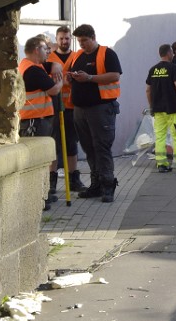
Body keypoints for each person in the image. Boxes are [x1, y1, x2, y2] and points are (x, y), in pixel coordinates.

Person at [69, 24, 123, 203]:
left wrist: (90, 78)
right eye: (79, 41)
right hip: (80, 109)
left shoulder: (107, 53)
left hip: (101, 108)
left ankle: (108, 185)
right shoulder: (77, 55)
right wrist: (72, 77)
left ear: (93, 37)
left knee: (101, 147)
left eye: (84, 40)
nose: (82, 44)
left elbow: (115, 75)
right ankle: (96, 184)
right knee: (88, 147)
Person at [18, 36, 63, 211]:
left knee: (44, 157)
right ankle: (37, 197)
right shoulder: (33, 71)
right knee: (37, 160)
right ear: (37, 49)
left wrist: (56, 66)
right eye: (46, 50)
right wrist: (60, 81)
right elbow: (53, 89)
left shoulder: (30, 65)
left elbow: (49, 65)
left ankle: (44, 192)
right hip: (34, 120)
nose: (49, 53)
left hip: (38, 118)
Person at [47, 25, 86, 196]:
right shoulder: (49, 58)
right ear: (57, 40)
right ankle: (52, 180)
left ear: (71, 39)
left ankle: (73, 179)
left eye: (67, 38)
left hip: (72, 107)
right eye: (61, 38)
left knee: (71, 144)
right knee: (54, 145)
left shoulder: (77, 56)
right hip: (53, 108)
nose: (64, 41)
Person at [146, 44, 176, 173]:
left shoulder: (153, 70)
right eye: (171, 53)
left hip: (158, 111)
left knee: (160, 136)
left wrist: (152, 106)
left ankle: (162, 164)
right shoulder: (174, 68)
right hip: (173, 109)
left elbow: (148, 90)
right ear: (168, 53)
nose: (172, 55)